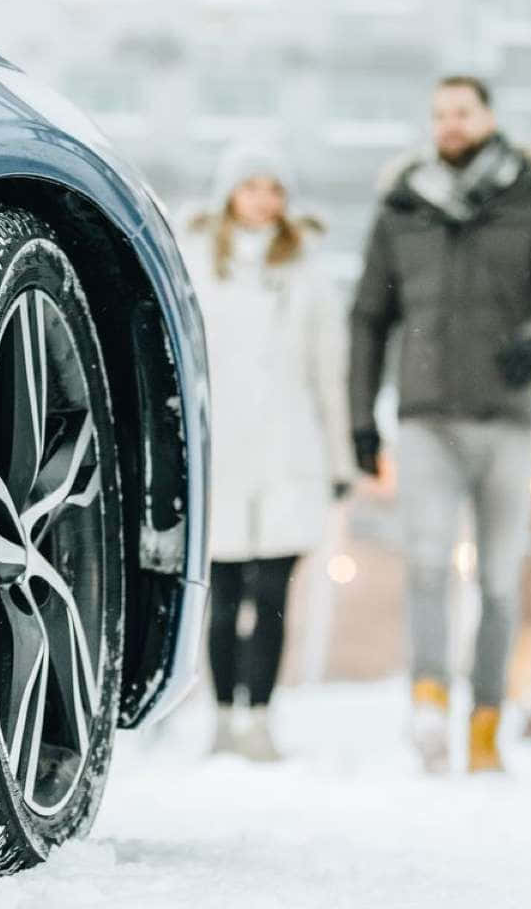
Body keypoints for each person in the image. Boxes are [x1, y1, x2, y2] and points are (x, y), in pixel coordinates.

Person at [348, 76, 531, 773]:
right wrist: (360, 416)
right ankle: (429, 704)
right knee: (427, 564)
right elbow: (368, 318)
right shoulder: (402, 210)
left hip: (505, 421)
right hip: (425, 417)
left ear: (488, 116)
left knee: (496, 578)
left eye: (462, 111)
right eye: (438, 114)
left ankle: (486, 725)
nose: (449, 124)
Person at [181, 143, 354, 762]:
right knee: (223, 593)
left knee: (274, 592)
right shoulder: (196, 266)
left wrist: (340, 459)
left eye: (274, 188)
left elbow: (328, 373)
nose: (263, 199)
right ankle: (224, 716)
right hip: (224, 453)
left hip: (291, 452)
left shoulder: (309, 275)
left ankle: (261, 716)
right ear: (229, 193)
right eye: (251, 186)